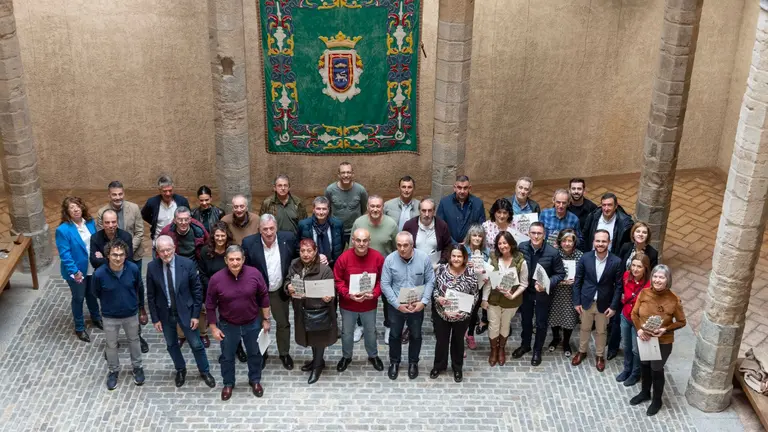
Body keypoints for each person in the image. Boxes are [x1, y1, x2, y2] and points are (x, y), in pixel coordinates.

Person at [146, 235, 216, 388]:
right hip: (166, 314)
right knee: (171, 345)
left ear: (174, 249)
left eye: (168, 250)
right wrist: (155, 319)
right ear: (157, 252)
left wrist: (196, 315)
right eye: (162, 251)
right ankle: (180, 369)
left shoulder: (188, 264)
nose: (165, 254)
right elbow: (151, 296)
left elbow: (197, 291)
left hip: (187, 312)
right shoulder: (152, 267)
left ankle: (204, 371)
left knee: (196, 344)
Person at [206, 245, 271, 401]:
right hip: (228, 325)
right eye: (231, 259)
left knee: (255, 354)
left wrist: (266, 319)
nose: (235, 263)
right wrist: (213, 328)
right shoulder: (216, 279)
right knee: (227, 357)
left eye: (238, 259)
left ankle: (255, 380)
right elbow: (209, 305)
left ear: (243, 259)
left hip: (252, 323)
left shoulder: (254, 274)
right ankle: (228, 383)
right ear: (226, 260)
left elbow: (264, 297)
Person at [630, 264, 686, 416]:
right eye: (655, 276)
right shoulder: (644, 293)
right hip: (645, 338)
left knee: (656, 368)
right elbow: (634, 314)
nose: (657, 279)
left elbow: (682, 322)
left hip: (663, 342)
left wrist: (665, 329)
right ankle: (645, 392)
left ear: (668, 280)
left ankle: (657, 400)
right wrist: (640, 330)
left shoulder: (674, 300)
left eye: (661, 277)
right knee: (645, 365)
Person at [90, 209, 149, 353]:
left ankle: (137, 336)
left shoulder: (125, 236)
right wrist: (109, 261)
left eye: (113, 222)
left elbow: (125, 260)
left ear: (117, 222)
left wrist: (103, 258)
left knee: (135, 299)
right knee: (111, 315)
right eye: (107, 222)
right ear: (102, 223)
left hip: (125, 275)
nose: (111, 225)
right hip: (107, 278)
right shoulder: (95, 238)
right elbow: (93, 261)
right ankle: (112, 344)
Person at [242, 214, 296, 370]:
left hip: (279, 291)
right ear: (259, 230)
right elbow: (246, 269)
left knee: (283, 323)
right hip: (259, 294)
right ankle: (262, 353)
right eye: (265, 229)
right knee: (260, 325)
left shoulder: (288, 238)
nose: (269, 232)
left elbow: (298, 257)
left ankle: (284, 353)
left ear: (276, 228)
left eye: (272, 228)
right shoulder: (249, 243)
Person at [381, 232, 436, 380]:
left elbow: (430, 280)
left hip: (416, 305)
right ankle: (394, 362)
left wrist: (423, 302)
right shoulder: (390, 260)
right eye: (399, 245)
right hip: (396, 305)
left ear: (412, 245)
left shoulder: (423, 258)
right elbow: (385, 284)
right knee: (394, 335)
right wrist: (397, 304)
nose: (402, 248)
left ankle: (413, 362)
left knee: (416, 335)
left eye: (405, 245)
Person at [92, 238, 145, 390]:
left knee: (134, 340)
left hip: (130, 314)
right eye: (115, 255)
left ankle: (137, 367)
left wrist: (141, 308)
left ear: (125, 256)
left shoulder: (133, 269)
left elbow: (138, 288)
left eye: (121, 255)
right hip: (109, 316)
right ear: (108, 255)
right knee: (111, 344)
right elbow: (95, 292)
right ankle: (113, 370)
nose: (118, 258)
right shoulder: (99, 274)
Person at [513, 222, 566, 366]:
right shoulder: (522, 247)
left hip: (543, 293)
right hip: (526, 291)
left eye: (539, 233)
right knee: (525, 320)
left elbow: (560, 273)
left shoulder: (553, 253)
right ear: (529, 234)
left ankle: (537, 350)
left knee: (541, 323)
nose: (536, 236)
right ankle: (525, 345)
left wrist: (547, 283)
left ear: (544, 235)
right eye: (533, 233)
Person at [333, 228, 385, 373]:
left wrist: (374, 293)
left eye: (365, 240)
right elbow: (338, 280)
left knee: (370, 331)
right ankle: (346, 356)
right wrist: (348, 294)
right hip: (348, 304)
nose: (361, 244)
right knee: (347, 332)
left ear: (369, 241)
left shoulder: (377, 257)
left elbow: (383, 279)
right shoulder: (344, 258)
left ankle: (373, 355)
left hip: (369, 304)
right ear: (353, 241)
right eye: (358, 240)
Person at [285, 239, 337, 384]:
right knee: (309, 337)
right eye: (303, 251)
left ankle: (317, 366)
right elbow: (288, 279)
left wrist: (328, 298)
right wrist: (288, 286)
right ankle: (316, 360)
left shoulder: (324, 270)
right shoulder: (295, 264)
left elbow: (332, 292)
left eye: (309, 251)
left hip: (318, 311)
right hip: (301, 308)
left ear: (315, 252)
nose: (306, 254)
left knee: (319, 339)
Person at [571, 230, 623, 372]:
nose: (600, 244)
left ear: (609, 243)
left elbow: (619, 287)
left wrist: (613, 306)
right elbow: (578, 281)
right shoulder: (585, 258)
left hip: (604, 304)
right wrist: (576, 302)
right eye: (598, 241)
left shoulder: (617, 261)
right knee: (584, 328)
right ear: (593, 242)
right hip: (586, 301)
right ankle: (582, 351)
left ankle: (600, 356)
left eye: (604, 241)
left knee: (601, 331)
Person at [351, 195, 398, 343]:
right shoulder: (359, 222)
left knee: (388, 300)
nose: (375, 209)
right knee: (360, 298)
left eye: (378, 206)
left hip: (385, 269)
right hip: (363, 269)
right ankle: (360, 326)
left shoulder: (391, 224)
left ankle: (389, 327)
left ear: (382, 207)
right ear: (367, 207)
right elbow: (352, 245)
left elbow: (397, 248)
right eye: (372, 206)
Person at [55, 196, 102, 342]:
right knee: (79, 298)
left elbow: (95, 241)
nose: (75, 210)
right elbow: (65, 254)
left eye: (77, 206)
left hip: (91, 267)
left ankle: (96, 317)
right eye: (71, 208)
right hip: (77, 271)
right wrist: (74, 272)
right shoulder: (63, 230)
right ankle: (80, 327)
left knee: (92, 294)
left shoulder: (90, 222)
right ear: (67, 212)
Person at [609, 221, 658, 358]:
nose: (640, 234)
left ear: (647, 235)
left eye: (644, 232)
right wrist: (621, 291)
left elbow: (650, 276)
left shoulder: (652, 253)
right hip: (623, 289)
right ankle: (613, 348)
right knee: (617, 322)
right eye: (638, 231)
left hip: (639, 293)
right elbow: (619, 267)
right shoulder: (626, 247)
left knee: (635, 323)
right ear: (633, 233)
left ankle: (633, 353)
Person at [430, 245, 479, 382]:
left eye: (459, 256)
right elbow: (434, 289)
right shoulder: (441, 270)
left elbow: (475, 294)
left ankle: (457, 368)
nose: (456, 259)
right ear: (449, 257)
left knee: (458, 342)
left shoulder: (470, 273)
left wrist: (462, 311)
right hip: (442, 313)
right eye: (454, 256)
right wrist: (438, 298)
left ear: (464, 258)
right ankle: (439, 366)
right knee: (441, 341)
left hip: (461, 316)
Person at [484, 231, 527, 367]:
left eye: (505, 242)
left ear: (511, 243)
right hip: (494, 299)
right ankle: (493, 350)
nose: (503, 246)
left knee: (505, 326)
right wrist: (484, 299)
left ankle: (501, 348)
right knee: (493, 326)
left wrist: (513, 295)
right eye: (500, 243)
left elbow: (524, 283)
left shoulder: (520, 260)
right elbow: (488, 281)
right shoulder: (493, 258)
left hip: (511, 300)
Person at [196, 222, 235, 349]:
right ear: (213, 236)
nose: (220, 238)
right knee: (221, 323)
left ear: (227, 236)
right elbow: (202, 274)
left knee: (234, 321)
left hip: (232, 292)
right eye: (217, 236)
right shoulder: (205, 251)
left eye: (222, 235)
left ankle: (237, 346)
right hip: (213, 293)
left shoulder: (233, 250)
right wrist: (215, 289)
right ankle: (226, 348)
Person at [616, 253, 651, 387]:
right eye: (634, 266)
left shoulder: (648, 285)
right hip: (626, 316)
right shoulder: (626, 276)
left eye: (639, 267)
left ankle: (635, 373)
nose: (635, 269)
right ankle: (627, 369)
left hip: (639, 322)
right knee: (626, 345)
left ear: (645, 269)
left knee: (637, 349)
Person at [546, 229, 582, 357]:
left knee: (569, 318)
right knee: (554, 317)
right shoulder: (554, 254)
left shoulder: (580, 256)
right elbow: (548, 271)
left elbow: (583, 275)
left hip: (571, 293)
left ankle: (566, 342)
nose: (567, 244)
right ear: (560, 242)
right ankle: (556, 338)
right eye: (564, 241)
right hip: (555, 292)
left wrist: (576, 280)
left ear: (574, 242)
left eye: (570, 241)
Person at [96, 180, 144, 269]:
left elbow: (139, 233)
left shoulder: (134, 208)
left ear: (124, 194)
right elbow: (101, 236)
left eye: (120, 194)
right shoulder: (102, 212)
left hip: (134, 255)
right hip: (112, 257)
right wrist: (115, 253)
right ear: (109, 195)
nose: (118, 197)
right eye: (114, 194)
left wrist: (126, 251)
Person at [325, 161, 368, 247]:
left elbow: (364, 208)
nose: (346, 175)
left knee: (357, 254)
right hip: (336, 229)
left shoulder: (360, 190)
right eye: (343, 172)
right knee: (336, 256)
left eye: (348, 172)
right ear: (338, 175)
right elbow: (327, 209)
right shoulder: (330, 190)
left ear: (353, 174)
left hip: (355, 229)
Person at [141, 175, 190, 248]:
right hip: (158, 242)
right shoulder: (152, 202)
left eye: (170, 190)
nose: (168, 194)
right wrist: (155, 221)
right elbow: (144, 215)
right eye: (165, 191)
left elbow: (189, 217)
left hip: (178, 243)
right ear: (160, 190)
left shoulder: (182, 201)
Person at [297, 196, 345, 268]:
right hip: (311, 265)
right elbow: (298, 246)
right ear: (313, 209)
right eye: (318, 209)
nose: (321, 212)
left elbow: (341, 244)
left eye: (324, 209)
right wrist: (315, 257)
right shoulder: (304, 225)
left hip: (333, 266)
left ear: (328, 210)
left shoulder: (337, 224)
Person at [436, 175, 486, 244]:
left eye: (465, 188)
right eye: (459, 188)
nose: (462, 191)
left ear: (469, 188)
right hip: (449, 245)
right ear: (454, 188)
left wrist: (467, 242)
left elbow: (480, 227)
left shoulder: (478, 204)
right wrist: (454, 243)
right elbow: (439, 227)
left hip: (471, 246)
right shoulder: (444, 203)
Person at [463, 224, 491, 348]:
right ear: (470, 236)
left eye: (480, 236)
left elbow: (489, 270)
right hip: (464, 287)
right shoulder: (462, 249)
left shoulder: (487, 251)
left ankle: (470, 335)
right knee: (463, 313)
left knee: (474, 313)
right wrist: (465, 265)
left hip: (479, 286)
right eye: (474, 235)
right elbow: (454, 266)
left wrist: (486, 272)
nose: (477, 238)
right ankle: (459, 337)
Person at [402, 198, 453, 264]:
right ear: (419, 211)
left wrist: (442, 261)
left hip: (435, 266)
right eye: (423, 210)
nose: (426, 214)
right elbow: (403, 245)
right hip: (414, 265)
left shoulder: (442, 225)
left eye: (429, 211)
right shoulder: (409, 225)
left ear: (434, 211)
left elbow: (448, 246)